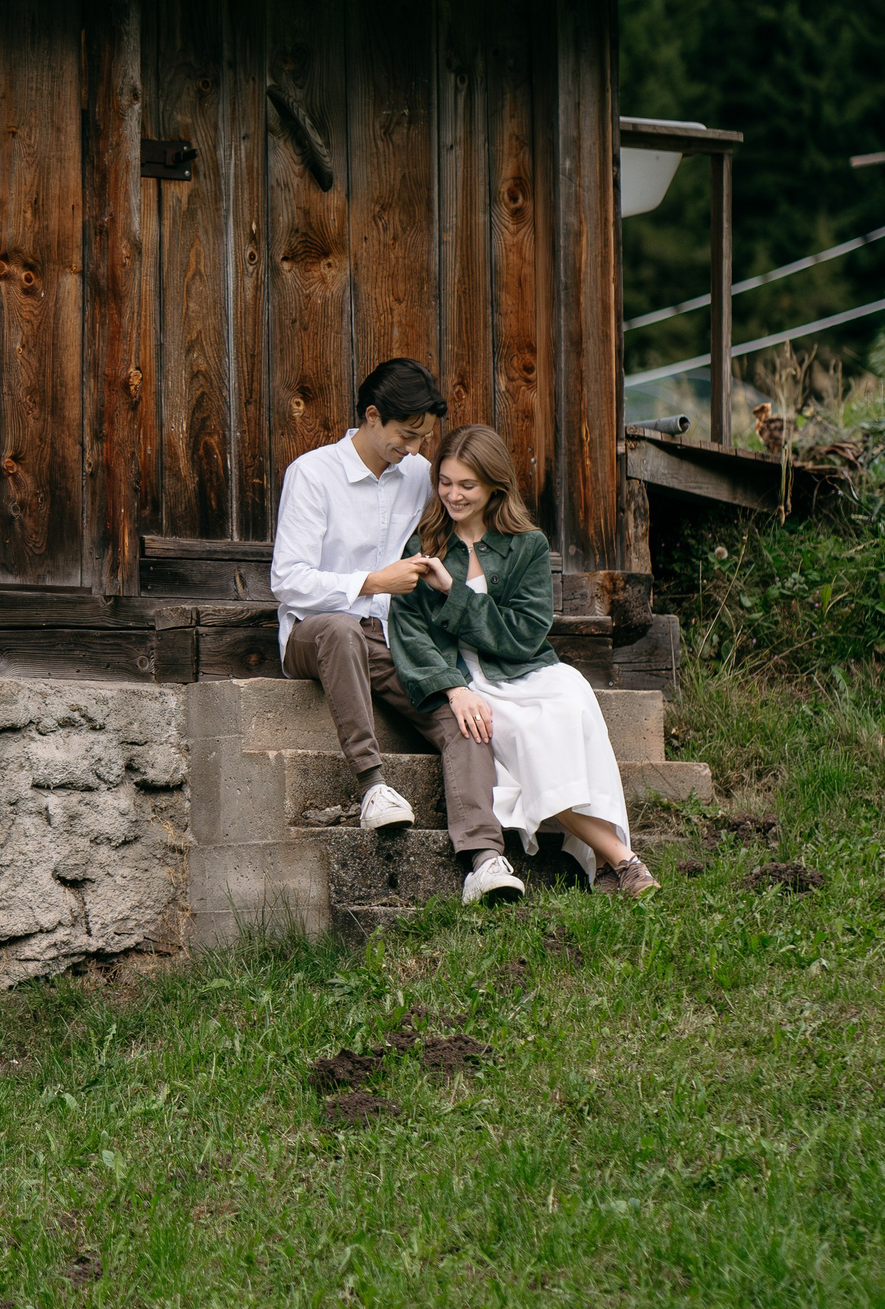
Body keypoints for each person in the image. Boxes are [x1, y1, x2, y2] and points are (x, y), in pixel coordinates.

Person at [271, 360, 526, 906]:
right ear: (371, 417)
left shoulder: (416, 475)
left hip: (394, 639)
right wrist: (371, 580)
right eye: (407, 436)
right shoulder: (313, 474)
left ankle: (483, 859)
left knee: (465, 717)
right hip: (314, 635)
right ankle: (371, 786)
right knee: (341, 628)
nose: (415, 450)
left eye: (423, 438)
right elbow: (287, 581)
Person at [387, 424, 658, 897]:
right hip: (470, 679)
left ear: (495, 485)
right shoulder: (423, 544)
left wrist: (453, 593)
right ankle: (623, 860)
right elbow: (408, 631)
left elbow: (525, 635)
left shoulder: (527, 545)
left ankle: (613, 863)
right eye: (445, 482)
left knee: (569, 711)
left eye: (467, 485)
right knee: (528, 740)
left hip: (529, 670)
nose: (453, 494)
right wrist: (454, 687)